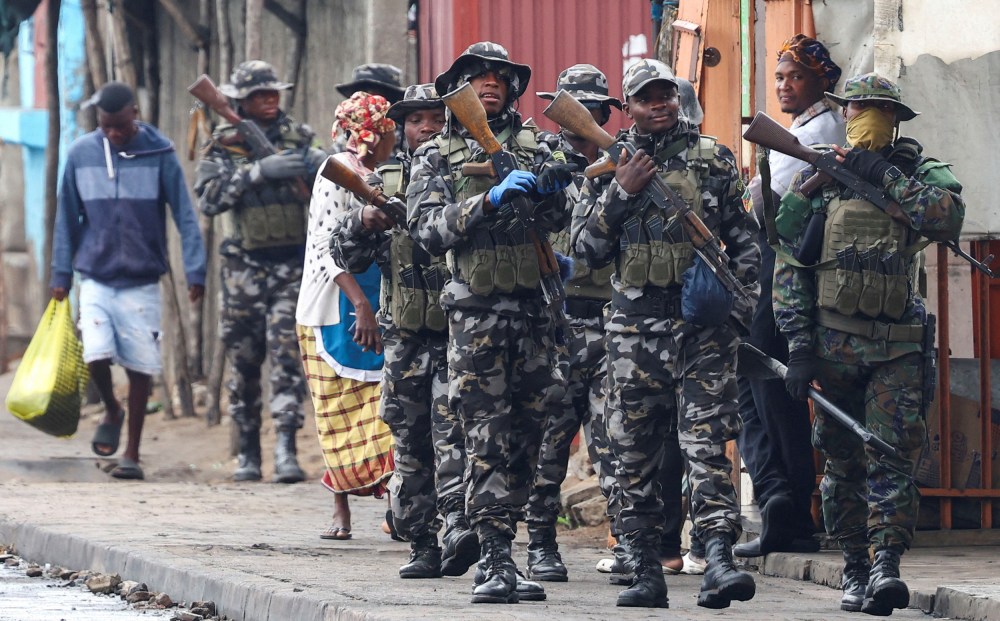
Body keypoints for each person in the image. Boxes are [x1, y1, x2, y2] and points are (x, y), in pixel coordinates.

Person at [772, 72, 964, 616]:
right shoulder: (823, 175)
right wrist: (798, 345)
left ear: (896, 119)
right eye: (858, 108)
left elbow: (947, 216)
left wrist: (883, 174)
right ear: (845, 113)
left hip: (897, 347)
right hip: (833, 347)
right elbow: (790, 258)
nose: (866, 118)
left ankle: (886, 565)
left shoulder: (919, 172)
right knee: (842, 463)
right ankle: (854, 562)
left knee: (893, 457)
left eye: (878, 109)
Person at [574, 59, 760, 609]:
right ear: (627, 107)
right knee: (633, 452)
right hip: (633, 331)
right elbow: (584, 251)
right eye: (646, 97)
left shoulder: (714, 159)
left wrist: (737, 307)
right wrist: (620, 193)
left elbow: (745, 241)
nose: (659, 104)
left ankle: (719, 557)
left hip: (702, 330)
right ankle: (644, 565)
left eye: (667, 95)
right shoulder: (609, 163)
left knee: (706, 446)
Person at [406, 41, 571, 604]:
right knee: (484, 436)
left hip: (533, 311)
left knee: (527, 435)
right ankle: (494, 559)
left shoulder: (536, 145)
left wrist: (552, 190)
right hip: (475, 315)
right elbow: (427, 231)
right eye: (477, 76)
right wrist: (489, 201)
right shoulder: (436, 155)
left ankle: (507, 547)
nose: (490, 83)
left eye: (499, 75)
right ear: (459, 89)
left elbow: (559, 217)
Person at [331, 84, 478, 577]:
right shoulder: (382, 181)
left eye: (437, 117)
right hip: (406, 339)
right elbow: (343, 255)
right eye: (417, 120)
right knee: (412, 444)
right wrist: (364, 222)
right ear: (402, 128)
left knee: (455, 434)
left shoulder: (466, 175)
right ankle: (421, 541)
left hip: (460, 333)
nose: (429, 127)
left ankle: (459, 526)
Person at [51, 81, 207, 481]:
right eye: (107, 127)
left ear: (134, 114)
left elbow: (185, 216)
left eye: (120, 126)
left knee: (140, 368)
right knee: (95, 353)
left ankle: (132, 453)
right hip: (96, 276)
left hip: (141, 279)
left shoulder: (160, 153)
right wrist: (61, 273)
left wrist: (195, 269)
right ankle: (112, 408)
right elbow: (66, 218)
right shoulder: (80, 154)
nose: (114, 134)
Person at [734, 34, 845, 559]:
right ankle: (782, 504)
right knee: (760, 391)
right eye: (779, 76)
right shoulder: (805, 129)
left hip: (784, 267)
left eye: (795, 76)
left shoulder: (822, 129)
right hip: (775, 264)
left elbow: (768, 202)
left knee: (770, 392)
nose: (784, 85)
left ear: (822, 80)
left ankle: (788, 510)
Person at [194, 60, 327, 484]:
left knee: (288, 359)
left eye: (273, 94)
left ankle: (286, 448)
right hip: (243, 269)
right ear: (241, 101)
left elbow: (328, 185)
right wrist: (254, 173)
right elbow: (209, 199)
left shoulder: (299, 137)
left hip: (291, 265)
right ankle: (248, 452)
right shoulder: (225, 141)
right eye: (259, 95)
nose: (269, 101)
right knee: (245, 361)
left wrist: (314, 164)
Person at [525, 63, 621, 583]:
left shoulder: (624, 162)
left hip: (610, 325)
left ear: (604, 114)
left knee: (618, 443)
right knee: (549, 443)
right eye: (568, 112)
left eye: (589, 110)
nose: (574, 123)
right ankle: (541, 543)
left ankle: (629, 543)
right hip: (557, 326)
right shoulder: (543, 163)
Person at [297, 92, 399, 540]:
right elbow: (323, 248)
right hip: (333, 304)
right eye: (390, 130)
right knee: (334, 412)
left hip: (380, 296)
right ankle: (340, 506)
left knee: (387, 410)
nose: (396, 138)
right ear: (372, 135)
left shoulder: (386, 173)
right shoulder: (333, 173)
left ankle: (399, 503)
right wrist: (360, 305)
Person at [331, 64, 406, 153]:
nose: (365, 101)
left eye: (374, 95)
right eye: (359, 94)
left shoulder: (408, 139)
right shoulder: (343, 144)